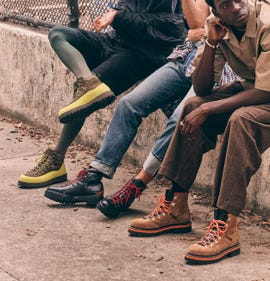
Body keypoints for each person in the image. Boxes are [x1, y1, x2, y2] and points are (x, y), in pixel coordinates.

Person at [127, 0, 270, 265]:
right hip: (252, 91)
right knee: (193, 105)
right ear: (216, 10)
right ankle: (176, 207)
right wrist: (213, 43)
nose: (237, 7)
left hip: (265, 93)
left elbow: (265, 91)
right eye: (227, 5)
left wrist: (211, 109)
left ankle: (226, 224)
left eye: (240, 0)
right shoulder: (217, 26)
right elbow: (202, 89)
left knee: (240, 119)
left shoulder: (267, 22)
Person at [42, 0, 210, 206]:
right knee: (127, 104)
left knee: (180, 117)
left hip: (183, 59)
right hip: (188, 57)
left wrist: (118, 17)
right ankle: (93, 177)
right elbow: (196, 29)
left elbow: (182, 27)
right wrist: (115, 16)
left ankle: (136, 186)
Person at [18, 0, 186, 188]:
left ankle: (56, 160)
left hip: (139, 54)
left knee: (85, 98)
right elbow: (122, 9)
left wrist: (118, 16)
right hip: (113, 39)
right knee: (59, 34)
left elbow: (170, 28)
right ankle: (87, 81)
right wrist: (112, 14)